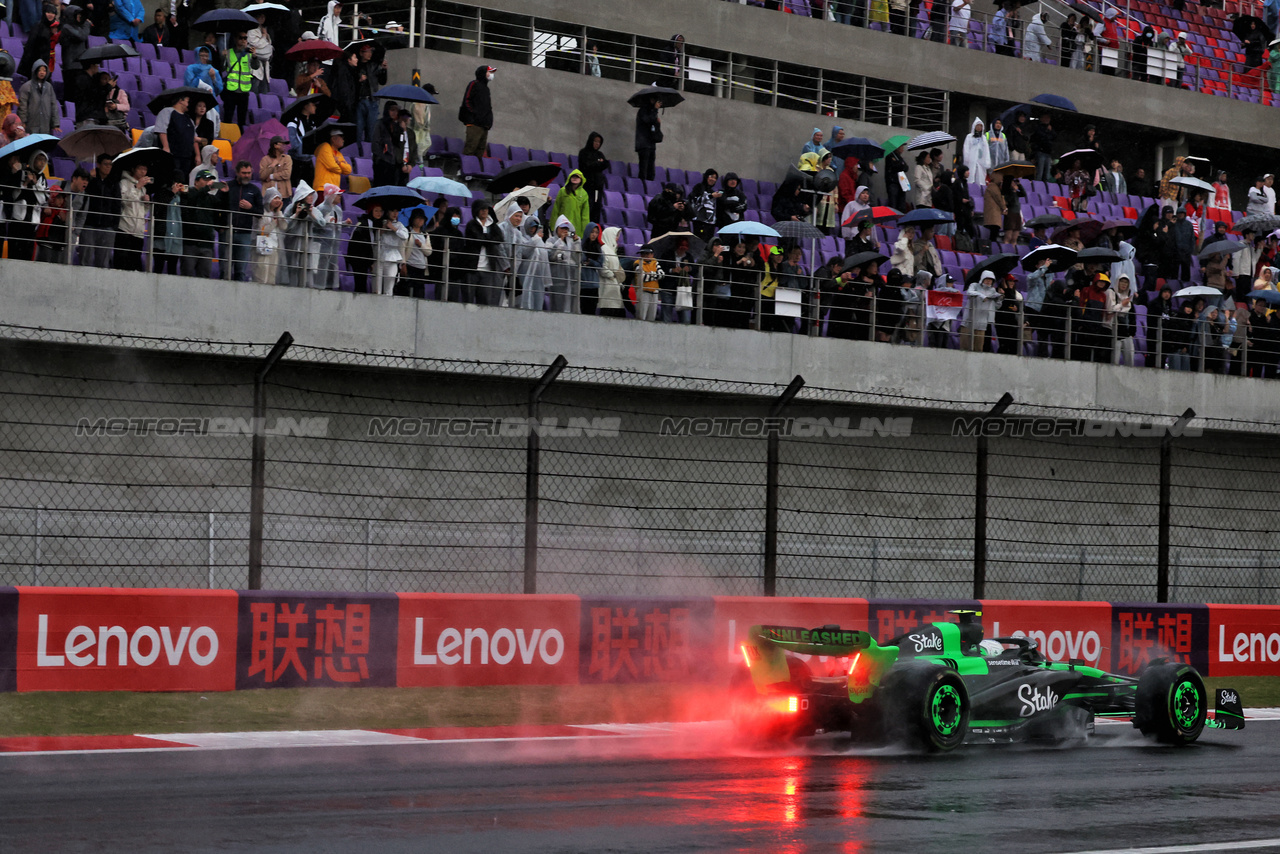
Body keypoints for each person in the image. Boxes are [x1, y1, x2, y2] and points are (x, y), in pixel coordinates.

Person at [179, 168, 224, 279]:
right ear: (196, 181)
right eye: (205, 179)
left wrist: (225, 192)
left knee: (204, 277)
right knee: (186, 276)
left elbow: (224, 207)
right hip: (190, 243)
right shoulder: (189, 193)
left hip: (206, 243)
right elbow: (194, 200)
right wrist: (207, 189)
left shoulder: (211, 198)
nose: (208, 182)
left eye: (210, 180)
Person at [461, 199, 505, 307]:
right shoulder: (471, 224)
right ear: (477, 210)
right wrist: (489, 239)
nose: (484, 211)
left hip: (488, 269)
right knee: (469, 301)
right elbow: (477, 238)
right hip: (472, 268)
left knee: (485, 302)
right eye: (482, 209)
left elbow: (500, 238)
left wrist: (486, 239)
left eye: (486, 209)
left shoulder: (493, 225)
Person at [80, 153, 121, 269]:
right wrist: (90, 177)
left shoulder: (113, 182)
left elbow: (117, 205)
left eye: (110, 164)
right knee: (85, 260)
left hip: (107, 226)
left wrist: (114, 225)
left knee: (103, 263)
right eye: (105, 164)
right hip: (89, 224)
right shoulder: (90, 179)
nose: (108, 167)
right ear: (98, 165)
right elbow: (82, 193)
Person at [153, 93, 199, 183]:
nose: (189, 104)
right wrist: (166, 147)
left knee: (183, 181)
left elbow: (194, 138)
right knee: (172, 179)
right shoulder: (167, 111)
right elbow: (162, 130)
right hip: (173, 155)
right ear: (180, 101)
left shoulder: (188, 118)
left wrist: (197, 155)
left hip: (187, 156)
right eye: (187, 101)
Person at [113, 162, 150, 272]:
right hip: (124, 228)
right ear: (133, 169)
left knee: (134, 264)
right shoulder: (124, 183)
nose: (143, 172)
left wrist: (147, 203)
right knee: (121, 263)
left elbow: (143, 211)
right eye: (140, 168)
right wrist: (136, 187)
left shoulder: (144, 188)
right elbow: (124, 201)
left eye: (145, 169)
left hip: (138, 231)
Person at [372, 102, 416, 188]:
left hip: (394, 165)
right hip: (382, 163)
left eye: (397, 110)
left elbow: (400, 144)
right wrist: (384, 157)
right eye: (392, 110)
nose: (394, 113)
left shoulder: (397, 126)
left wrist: (402, 131)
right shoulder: (380, 124)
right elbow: (375, 144)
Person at [352, 42, 387, 145]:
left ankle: (368, 154)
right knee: (358, 129)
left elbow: (382, 81)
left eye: (371, 51)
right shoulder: (356, 66)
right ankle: (358, 153)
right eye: (367, 51)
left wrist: (384, 70)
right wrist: (359, 80)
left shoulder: (375, 65)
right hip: (360, 100)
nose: (370, 54)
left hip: (373, 100)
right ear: (361, 53)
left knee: (371, 129)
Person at [459, 65, 495, 157]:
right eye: (489, 72)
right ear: (483, 73)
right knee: (470, 148)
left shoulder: (486, 89)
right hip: (474, 123)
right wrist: (474, 115)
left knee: (480, 151)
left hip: (484, 125)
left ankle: (475, 170)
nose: (491, 74)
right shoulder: (474, 84)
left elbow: (487, 107)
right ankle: (464, 169)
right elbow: (467, 101)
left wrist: (488, 121)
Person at [221, 31, 255, 129]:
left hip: (244, 91)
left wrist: (255, 56)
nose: (243, 40)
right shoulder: (229, 52)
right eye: (241, 38)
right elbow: (222, 68)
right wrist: (222, 57)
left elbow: (255, 67)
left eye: (245, 38)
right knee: (228, 117)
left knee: (242, 120)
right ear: (236, 39)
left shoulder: (249, 54)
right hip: (231, 90)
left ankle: (240, 140)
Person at [252, 187, 286, 285]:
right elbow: (261, 230)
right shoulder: (261, 212)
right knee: (261, 275)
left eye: (279, 198)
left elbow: (284, 226)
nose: (278, 200)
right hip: (261, 247)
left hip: (274, 247)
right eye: (275, 198)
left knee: (271, 277)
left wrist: (279, 212)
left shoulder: (277, 213)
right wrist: (273, 223)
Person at [546, 215, 579, 313]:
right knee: (557, 305)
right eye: (562, 228)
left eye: (566, 228)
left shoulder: (571, 242)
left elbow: (577, 259)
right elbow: (550, 256)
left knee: (571, 306)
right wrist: (560, 241)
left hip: (571, 279)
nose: (565, 230)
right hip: (557, 279)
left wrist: (577, 242)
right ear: (557, 228)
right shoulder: (551, 240)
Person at [16, 60, 58, 137]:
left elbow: (53, 105)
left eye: (44, 70)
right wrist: (23, 121)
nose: (42, 72)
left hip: (45, 125)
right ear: (34, 71)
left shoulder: (49, 87)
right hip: (31, 124)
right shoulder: (26, 86)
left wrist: (55, 124)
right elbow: (22, 106)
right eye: (39, 70)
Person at [576, 132, 609, 227]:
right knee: (587, 209)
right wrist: (598, 163)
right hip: (586, 187)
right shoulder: (583, 152)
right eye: (595, 141)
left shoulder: (600, 154)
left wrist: (595, 163)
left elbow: (606, 164)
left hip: (597, 187)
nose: (597, 144)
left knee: (596, 209)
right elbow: (586, 166)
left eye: (599, 142)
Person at [961, 270, 999, 351]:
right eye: (987, 279)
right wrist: (981, 295)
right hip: (969, 322)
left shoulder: (993, 290)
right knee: (965, 348)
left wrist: (999, 299)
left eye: (991, 279)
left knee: (978, 349)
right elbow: (969, 292)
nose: (989, 281)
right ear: (982, 278)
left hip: (982, 325)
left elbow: (996, 307)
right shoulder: (974, 285)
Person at [551, 168, 591, 239]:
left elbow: (585, 215)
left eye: (577, 177)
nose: (575, 178)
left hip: (576, 227)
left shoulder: (584, 194)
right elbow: (556, 209)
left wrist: (585, 231)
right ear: (569, 178)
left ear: (581, 179)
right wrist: (553, 226)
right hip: (562, 225)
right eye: (573, 176)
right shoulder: (563, 191)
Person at [598, 226, 627, 319]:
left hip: (615, 287)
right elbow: (602, 268)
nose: (617, 238)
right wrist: (612, 275)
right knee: (607, 313)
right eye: (616, 235)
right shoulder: (604, 249)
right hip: (607, 287)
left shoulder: (613, 250)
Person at [686, 168, 721, 242]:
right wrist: (711, 196)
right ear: (706, 176)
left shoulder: (713, 191)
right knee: (699, 242)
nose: (713, 179)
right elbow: (695, 201)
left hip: (710, 223)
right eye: (711, 176)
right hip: (699, 221)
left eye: (715, 178)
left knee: (708, 243)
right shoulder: (699, 187)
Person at [313, 126, 352, 190]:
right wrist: (340, 169)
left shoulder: (339, 154)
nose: (343, 139)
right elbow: (333, 167)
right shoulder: (325, 147)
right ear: (333, 139)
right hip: (323, 188)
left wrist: (339, 163)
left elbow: (348, 170)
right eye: (341, 137)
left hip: (334, 189)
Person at [634, 94, 662, 182]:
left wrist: (658, 123)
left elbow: (653, 127)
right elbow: (647, 120)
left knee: (651, 171)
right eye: (654, 99)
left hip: (651, 143)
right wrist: (655, 110)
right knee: (644, 169)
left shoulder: (652, 111)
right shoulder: (643, 111)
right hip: (643, 144)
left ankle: (649, 187)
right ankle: (641, 187)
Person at [247, 13, 273, 94]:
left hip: (265, 64)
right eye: (260, 16)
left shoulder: (262, 29)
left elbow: (269, 44)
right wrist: (264, 36)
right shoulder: (251, 29)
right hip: (255, 64)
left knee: (264, 91)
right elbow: (256, 43)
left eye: (264, 16)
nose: (262, 18)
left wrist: (265, 35)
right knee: (255, 90)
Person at [963, 119, 992, 187]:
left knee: (980, 178)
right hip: (971, 161)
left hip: (981, 162)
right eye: (977, 126)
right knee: (970, 177)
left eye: (980, 126)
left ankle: (980, 191)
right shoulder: (969, 137)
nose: (979, 127)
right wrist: (967, 159)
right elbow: (966, 148)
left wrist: (987, 161)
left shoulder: (983, 138)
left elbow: (986, 151)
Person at [1031, 112, 1056, 182]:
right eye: (1045, 118)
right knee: (1040, 172)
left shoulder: (1050, 128)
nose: (1047, 119)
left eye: (1048, 118)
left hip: (1048, 152)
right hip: (1041, 152)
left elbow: (1054, 137)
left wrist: (1050, 131)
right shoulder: (1039, 127)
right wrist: (1047, 131)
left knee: (1047, 174)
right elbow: (1042, 137)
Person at [982, 172, 1005, 244]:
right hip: (992, 213)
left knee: (995, 230)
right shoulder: (993, 187)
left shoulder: (995, 187)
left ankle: (992, 244)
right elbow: (998, 199)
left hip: (994, 212)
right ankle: (991, 244)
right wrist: (1004, 207)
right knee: (994, 230)